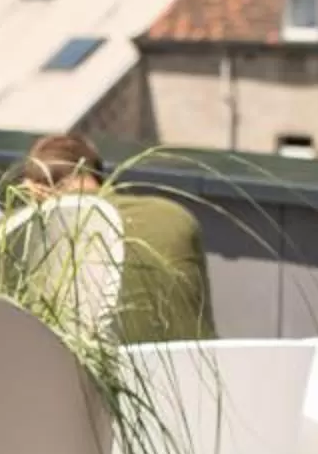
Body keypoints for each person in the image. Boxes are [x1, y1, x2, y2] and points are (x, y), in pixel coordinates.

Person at [16, 131, 216, 343]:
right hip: (191, 372)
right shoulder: (176, 217)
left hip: (82, 374)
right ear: (98, 177)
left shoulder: (25, 230)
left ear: (34, 188)